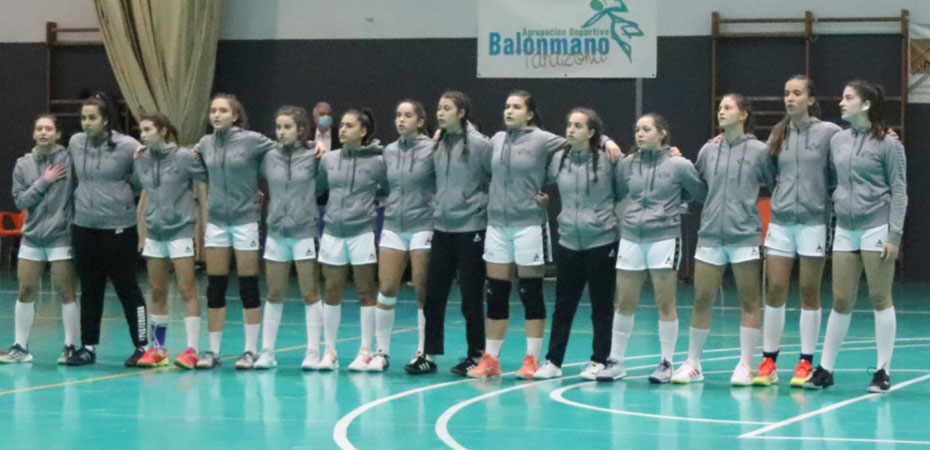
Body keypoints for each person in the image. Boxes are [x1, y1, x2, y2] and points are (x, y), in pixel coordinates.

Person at [468, 90, 622, 379]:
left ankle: (547, 359)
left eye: (516, 107)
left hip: (559, 230)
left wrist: (606, 140)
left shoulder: (548, 141)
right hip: (510, 227)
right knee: (502, 294)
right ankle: (502, 359)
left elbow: (587, 145)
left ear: (529, 113)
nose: (509, 111)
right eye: (507, 106)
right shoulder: (499, 140)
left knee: (542, 294)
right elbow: (545, 176)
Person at [804, 80, 907, 393]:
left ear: (866, 104)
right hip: (845, 229)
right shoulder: (838, 140)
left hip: (877, 226)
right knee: (840, 300)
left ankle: (882, 371)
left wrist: (894, 235)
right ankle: (825, 369)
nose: (841, 102)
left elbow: (899, 190)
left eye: (848, 98)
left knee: (880, 297)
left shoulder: (889, 144)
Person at [670, 94, 775, 386]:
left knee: (749, 301)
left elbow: (775, 184)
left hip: (745, 235)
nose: (721, 112)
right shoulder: (708, 150)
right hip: (710, 235)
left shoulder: (760, 151)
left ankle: (745, 364)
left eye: (727, 108)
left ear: (743, 114)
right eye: (719, 108)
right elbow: (699, 186)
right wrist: (679, 163)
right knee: (701, 299)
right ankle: (693, 363)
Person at [595, 113, 706, 383]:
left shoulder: (679, 165)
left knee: (664, 302)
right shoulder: (627, 164)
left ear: (662, 133)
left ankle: (666, 363)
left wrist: (677, 202)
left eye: (646, 129)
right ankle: (616, 361)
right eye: (637, 130)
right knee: (624, 302)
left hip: (664, 238)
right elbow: (618, 191)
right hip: (631, 237)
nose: (640, 134)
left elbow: (700, 192)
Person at [754, 75, 841, 387]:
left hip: (814, 222)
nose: (790, 98)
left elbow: (838, 171)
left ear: (811, 99)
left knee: (808, 290)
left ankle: (805, 361)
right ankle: (769, 360)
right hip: (781, 221)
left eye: (797, 93)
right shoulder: (778, 133)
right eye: (786, 93)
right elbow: (768, 171)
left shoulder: (829, 133)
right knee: (775, 287)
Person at [531, 108, 621, 380]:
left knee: (601, 306)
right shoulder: (559, 158)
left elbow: (624, 188)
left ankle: (599, 360)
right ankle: (553, 361)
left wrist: (607, 140)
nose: (570, 130)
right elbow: (543, 179)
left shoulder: (608, 159)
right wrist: (543, 198)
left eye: (578, 126)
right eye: (569, 124)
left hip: (601, 241)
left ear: (592, 132)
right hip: (568, 240)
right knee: (563, 306)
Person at [407, 91, 492, 376]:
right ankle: (429, 354)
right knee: (434, 295)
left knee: (471, 296)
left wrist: (479, 203)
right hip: (442, 228)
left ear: (461, 112)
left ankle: (475, 354)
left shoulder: (480, 144)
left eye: (446, 108)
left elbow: (497, 175)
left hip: (471, 229)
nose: (440, 113)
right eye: (439, 108)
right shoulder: (438, 143)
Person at [66, 92, 150, 366]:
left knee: (127, 288)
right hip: (84, 226)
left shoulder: (128, 146)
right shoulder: (76, 142)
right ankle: (88, 346)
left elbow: (140, 181)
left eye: (92, 118)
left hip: (118, 228)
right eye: (83, 118)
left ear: (105, 120)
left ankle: (142, 346)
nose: (86, 123)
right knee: (90, 289)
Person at [194, 94, 276, 370]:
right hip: (217, 221)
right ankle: (213, 351)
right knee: (215, 286)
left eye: (222, 111)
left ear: (235, 115)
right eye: (213, 111)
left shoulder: (252, 140)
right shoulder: (205, 143)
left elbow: (283, 150)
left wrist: (315, 146)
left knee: (248, 285)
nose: (216, 115)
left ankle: (250, 350)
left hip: (245, 220)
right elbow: (190, 160)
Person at [1, 115, 78, 364]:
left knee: (66, 291)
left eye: (49, 129)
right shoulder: (23, 164)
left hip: (60, 236)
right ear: (34, 134)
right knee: (25, 289)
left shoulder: (69, 160)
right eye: (39, 129)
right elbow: (21, 200)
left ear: (58, 134)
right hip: (32, 238)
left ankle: (70, 346)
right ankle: (20, 347)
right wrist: (44, 182)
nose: (43, 132)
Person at [132, 113, 206, 369]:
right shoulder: (141, 158)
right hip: (155, 232)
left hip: (181, 230)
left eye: (148, 130)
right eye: (141, 130)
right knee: (157, 291)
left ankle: (192, 350)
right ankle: (158, 349)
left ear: (163, 131)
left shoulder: (184, 157)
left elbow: (209, 174)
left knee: (187, 290)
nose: (143, 135)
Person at [253, 106, 323, 370]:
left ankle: (313, 352)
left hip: (304, 232)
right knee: (274, 292)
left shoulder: (314, 157)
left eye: (287, 127)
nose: (281, 132)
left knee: (310, 292)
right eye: (278, 127)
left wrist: (317, 146)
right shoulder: (268, 157)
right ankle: (267, 352)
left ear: (301, 129)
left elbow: (324, 182)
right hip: (276, 232)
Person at [316, 108, 386, 371]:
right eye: (342, 125)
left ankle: (366, 351)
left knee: (366, 292)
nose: (342, 130)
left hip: (362, 232)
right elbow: (319, 188)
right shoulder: (328, 160)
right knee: (331, 291)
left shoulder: (378, 162)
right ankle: (329, 351)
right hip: (333, 232)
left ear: (363, 131)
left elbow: (388, 188)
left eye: (349, 126)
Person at [370, 100, 435, 371]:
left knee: (422, 288)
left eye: (408, 115)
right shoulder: (389, 151)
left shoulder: (433, 149)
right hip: (394, 225)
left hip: (424, 223)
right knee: (386, 288)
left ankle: (425, 352)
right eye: (398, 115)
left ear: (420, 121)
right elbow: (383, 184)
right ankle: (381, 352)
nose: (401, 120)